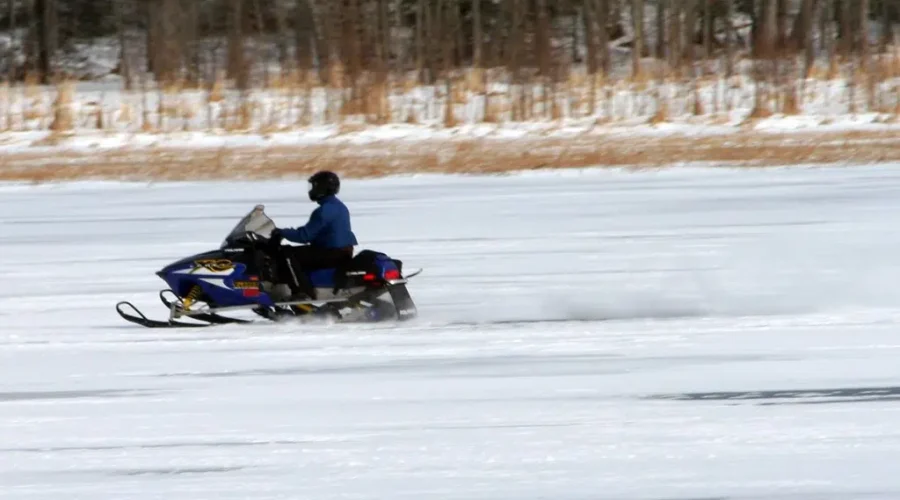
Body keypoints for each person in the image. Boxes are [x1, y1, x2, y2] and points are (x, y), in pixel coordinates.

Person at [269, 171, 358, 299]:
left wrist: (281, 232)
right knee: (300, 254)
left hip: (332, 252)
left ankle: (302, 293)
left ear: (323, 188)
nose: (312, 190)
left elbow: (304, 236)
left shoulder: (325, 210)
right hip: (340, 251)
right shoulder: (337, 206)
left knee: (286, 254)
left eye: (315, 186)